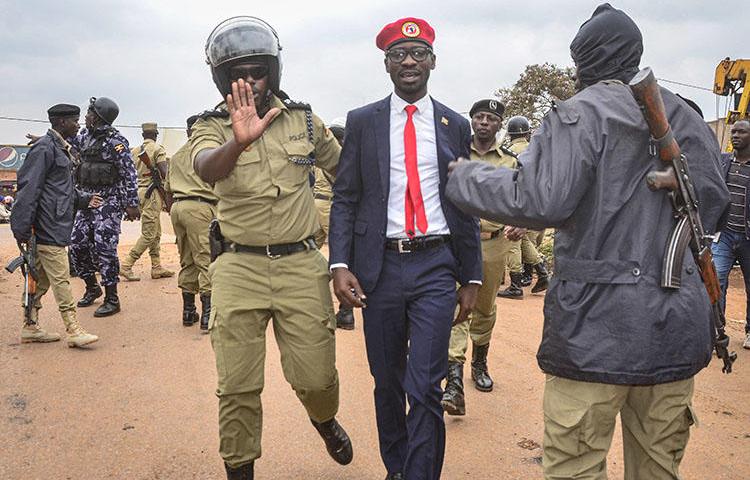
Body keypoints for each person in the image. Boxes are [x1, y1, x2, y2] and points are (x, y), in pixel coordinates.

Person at [445, 4, 729, 479]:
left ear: (584, 60)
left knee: (575, 468)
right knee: (659, 469)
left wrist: (461, 179)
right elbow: (714, 202)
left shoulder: (577, 114)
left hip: (594, 331)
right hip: (675, 332)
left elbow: (537, 200)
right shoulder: (687, 117)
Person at [192, 16, 352, 479]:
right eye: (237, 74)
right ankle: (240, 470)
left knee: (316, 377)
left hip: (301, 264)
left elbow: (347, 176)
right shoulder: (211, 126)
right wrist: (237, 144)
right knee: (237, 387)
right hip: (237, 267)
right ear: (222, 80)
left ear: (274, 73)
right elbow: (206, 168)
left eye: (257, 72)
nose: (249, 83)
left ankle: (323, 420)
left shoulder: (304, 120)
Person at [329, 18, 481, 480]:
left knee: (425, 384)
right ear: (387, 64)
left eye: (418, 54)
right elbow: (346, 197)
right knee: (387, 381)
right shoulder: (363, 121)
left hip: (436, 265)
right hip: (381, 268)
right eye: (399, 54)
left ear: (433, 62)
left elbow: (465, 200)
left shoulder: (455, 124)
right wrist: (339, 264)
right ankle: (397, 467)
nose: (409, 61)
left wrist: (471, 275)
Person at [441, 99, 519, 416]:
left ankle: (479, 362)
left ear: (500, 125)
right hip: (455, 242)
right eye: (479, 117)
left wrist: (522, 222)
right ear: (471, 121)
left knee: (485, 308)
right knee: (458, 305)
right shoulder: (454, 154)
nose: (484, 122)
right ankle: (455, 381)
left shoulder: (511, 162)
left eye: (491, 118)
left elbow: (523, 197)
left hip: (492, 242)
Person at [10, 103, 100, 347]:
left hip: (54, 223)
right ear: (62, 123)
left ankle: (30, 326)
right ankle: (73, 329)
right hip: (47, 227)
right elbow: (29, 188)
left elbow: (61, 190)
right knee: (61, 277)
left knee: (41, 279)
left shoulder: (60, 149)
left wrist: (83, 200)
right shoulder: (45, 148)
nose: (78, 124)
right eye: (75, 120)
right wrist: (20, 226)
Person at [69, 97, 140, 317]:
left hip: (109, 201)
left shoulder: (115, 141)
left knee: (104, 247)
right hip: (86, 200)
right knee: (76, 244)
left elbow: (129, 173)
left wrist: (132, 203)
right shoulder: (85, 138)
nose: (85, 118)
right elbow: (66, 144)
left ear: (98, 116)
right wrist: (44, 140)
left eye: (89, 113)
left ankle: (112, 298)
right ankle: (92, 286)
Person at [167, 115, 217, 331]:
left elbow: (168, 190)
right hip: (200, 207)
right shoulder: (207, 153)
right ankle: (208, 314)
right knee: (205, 259)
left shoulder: (177, 155)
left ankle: (188, 311)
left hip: (178, 207)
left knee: (187, 258)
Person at [312, 118, 355, 330]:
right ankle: (346, 312)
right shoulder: (341, 158)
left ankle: (309, 299)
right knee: (343, 255)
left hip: (315, 206)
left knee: (307, 251)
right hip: (330, 206)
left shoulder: (321, 157)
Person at [712, 119, 750, 350]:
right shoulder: (723, 161)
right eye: (733, 132)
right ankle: (718, 330)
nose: (735, 135)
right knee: (716, 281)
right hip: (724, 235)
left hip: (748, 238)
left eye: (741, 132)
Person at [120, 123, 174, 281]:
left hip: (139, 192)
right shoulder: (158, 149)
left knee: (156, 231)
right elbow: (165, 173)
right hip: (152, 194)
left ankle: (156, 266)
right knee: (149, 234)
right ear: (156, 134)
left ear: (143, 135)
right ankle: (127, 264)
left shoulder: (134, 151)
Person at [505, 115, 549, 293]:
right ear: (527, 133)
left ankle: (516, 283)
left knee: (512, 240)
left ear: (510, 134)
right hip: (540, 202)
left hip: (518, 202)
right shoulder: (538, 149)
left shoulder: (508, 152)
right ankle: (539, 272)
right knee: (525, 239)